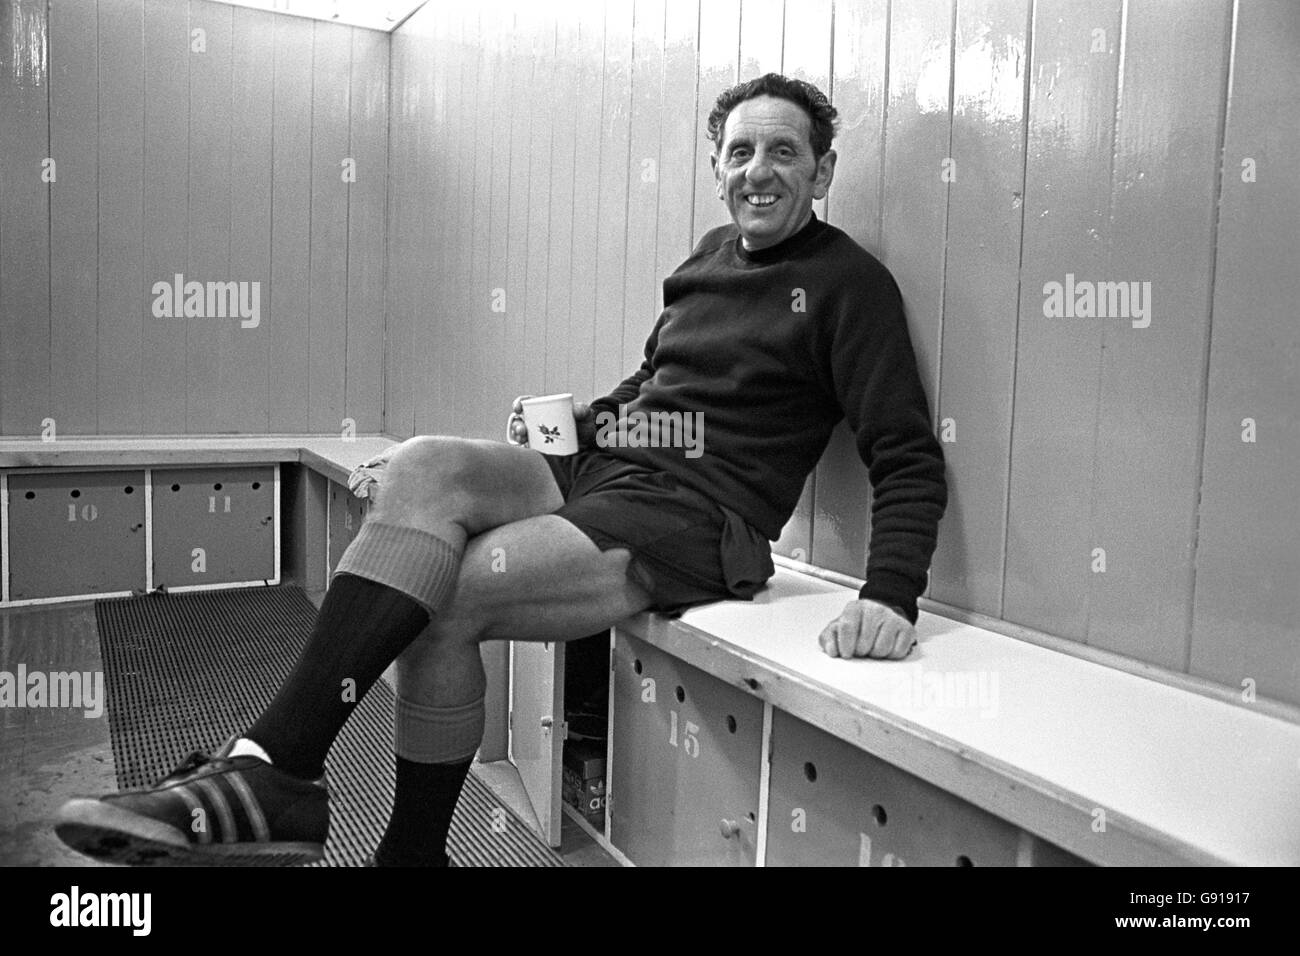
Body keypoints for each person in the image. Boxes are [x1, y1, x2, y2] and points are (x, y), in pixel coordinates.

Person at [54, 73, 947, 867]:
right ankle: (283, 769)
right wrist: (585, 418)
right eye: (741, 150)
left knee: (453, 594)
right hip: (609, 470)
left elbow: (904, 450)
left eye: (785, 152)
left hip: (699, 517)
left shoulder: (848, 286)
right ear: (717, 166)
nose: (759, 169)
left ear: (821, 173)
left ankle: (331, 806)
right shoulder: (705, 259)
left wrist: (891, 595)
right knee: (424, 463)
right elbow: (657, 384)